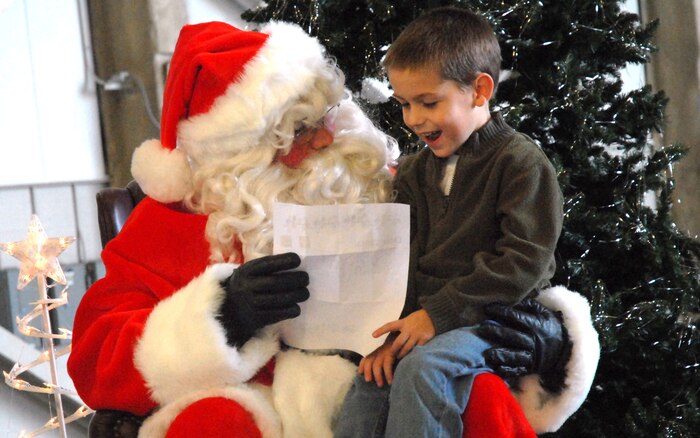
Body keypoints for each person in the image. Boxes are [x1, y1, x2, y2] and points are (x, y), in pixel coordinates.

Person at [68, 19, 597, 438]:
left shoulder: (387, 181)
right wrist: (222, 315)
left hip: (387, 376)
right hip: (262, 411)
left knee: (475, 396)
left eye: (324, 117)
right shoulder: (172, 223)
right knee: (212, 427)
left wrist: (549, 341)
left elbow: (497, 255)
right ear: (242, 157)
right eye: (297, 132)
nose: (325, 141)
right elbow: (94, 356)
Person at [333, 7, 599, 438]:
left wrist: (438, 315)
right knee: (371, 380)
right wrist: (391, 336)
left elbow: (522, 262)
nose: (414, 119)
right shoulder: (417, 172)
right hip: (427, 318)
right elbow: (405, 258)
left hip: (494, 318)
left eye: (428, 102)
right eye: (404, 104)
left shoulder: (520, 163)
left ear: (479, 90)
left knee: (424, 369)